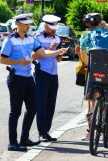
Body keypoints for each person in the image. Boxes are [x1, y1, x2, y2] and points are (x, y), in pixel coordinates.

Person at [0, 13, 67, 151]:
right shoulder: (10, 40)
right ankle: (13, 142)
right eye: (26, 23)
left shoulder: (31, 38)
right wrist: (19, 61)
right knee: (16, 111)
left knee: (33, 108)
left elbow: (42, 53)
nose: (28, 25)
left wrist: (58, 51)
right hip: (16, 77)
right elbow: (2, 59)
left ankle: (24, 139)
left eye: (29, 23)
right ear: (18, 24)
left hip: (28, 77)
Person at [79, 13, 108, 151]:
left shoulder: (85, 36)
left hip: (94, 73)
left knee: (95, 100)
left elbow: (85, 60)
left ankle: (94, 122)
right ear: (100, 22)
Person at [32, 14, 62, 142]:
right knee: (41, 104)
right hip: (42, 73)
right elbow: (34, 56)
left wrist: (60, 53)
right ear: (45, 26)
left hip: (54, 74)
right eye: (51, 28)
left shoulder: (58, 38)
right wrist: (49, 50)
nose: (53, 30)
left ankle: (47, 131)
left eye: (55, 27)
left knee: (51, 104)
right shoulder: (37, 38)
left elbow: (58, 59)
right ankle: (41, 132)